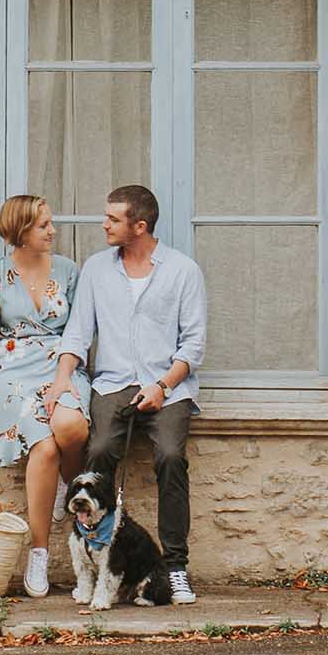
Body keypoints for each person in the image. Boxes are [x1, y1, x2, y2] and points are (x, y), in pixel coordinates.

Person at [45, 182, 206, 603]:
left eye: (113, 219)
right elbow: (78, 334)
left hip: (169, 386)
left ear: (139, 225)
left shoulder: (183, 271)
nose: (104, 225)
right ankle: (92, 558)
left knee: (171, 457)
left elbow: (193, 345)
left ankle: (174, 567)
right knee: (97, 452)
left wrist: (163, 386)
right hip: (113, 383)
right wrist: (62, 380)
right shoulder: (97, 269)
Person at [0, 193, 92, 598]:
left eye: (50, 223)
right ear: (21, 232)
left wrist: (68, 374)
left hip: (62, 366)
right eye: (44, 225)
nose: (53, 231)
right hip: (12, 373)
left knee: (73, 429)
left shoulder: (68, 270)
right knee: (43, 449)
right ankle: (40, 552)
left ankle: (67, 480)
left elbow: (80, 331)